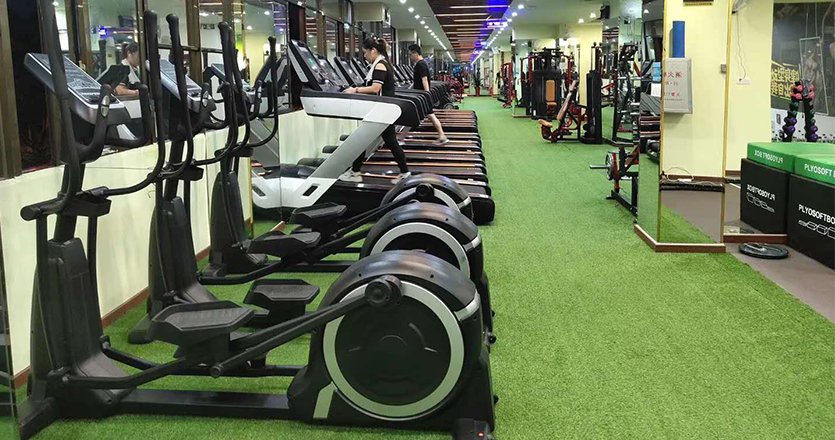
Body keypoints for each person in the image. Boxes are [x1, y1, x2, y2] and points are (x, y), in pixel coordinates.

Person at [342, 38, 411, 183]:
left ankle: (355, 173)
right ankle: (404, 173)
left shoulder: (380, 65)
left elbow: (375, 88)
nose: (365, 56)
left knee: (362, 141)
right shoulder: (382, 63)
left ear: (373, 50)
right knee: (390, 142)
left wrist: (355, 90)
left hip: (380, 111)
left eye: (365, 52)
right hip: (383, 110)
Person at [408, 44, 448, 144]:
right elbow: (417, 80)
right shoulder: (420, 64)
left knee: (431, 116)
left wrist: (426, 94)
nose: (409, 57)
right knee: (412, 116)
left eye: (410, 55)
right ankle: (401, 138)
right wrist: (410, 88)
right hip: (419, 96)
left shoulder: (421, 64)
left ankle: (442, 136)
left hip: (422, 96)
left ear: (415, 53)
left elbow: (424, 79)